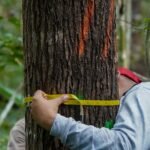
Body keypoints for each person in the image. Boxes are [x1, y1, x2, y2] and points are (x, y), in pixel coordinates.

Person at [7, 67, 150, 150]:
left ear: (116, 76)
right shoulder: (23, 130)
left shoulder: (142, 91)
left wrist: (52, 121)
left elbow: (125, 145)